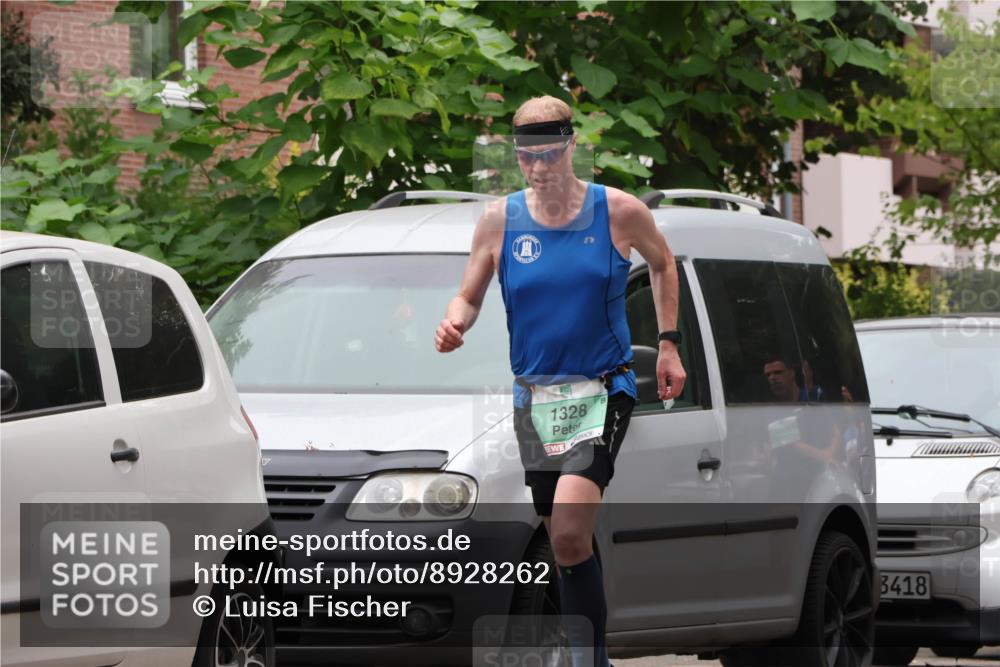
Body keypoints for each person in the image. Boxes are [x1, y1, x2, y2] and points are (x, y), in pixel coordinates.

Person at [435, 95, 686, 667]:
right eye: (527, 157)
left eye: (549, 154)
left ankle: (586, 662)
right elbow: (469, 294)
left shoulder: (617, 211)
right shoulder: (500, 219)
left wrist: (668, 345)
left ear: (572, 145)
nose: (539, 167)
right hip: (535, 396)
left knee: (570, 531)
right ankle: (586, 650)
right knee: (564, 542)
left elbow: (665, 263)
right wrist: (454, 322)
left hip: (603, 388)